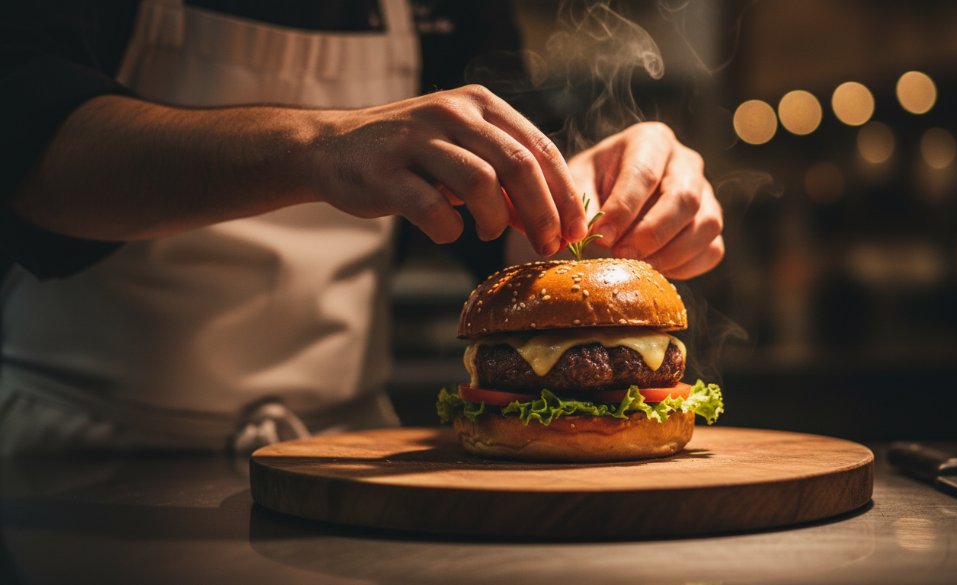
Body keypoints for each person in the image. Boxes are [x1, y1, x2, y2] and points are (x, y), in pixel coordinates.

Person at [0, 0, 723, 454]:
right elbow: (29, 149)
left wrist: (584, 207)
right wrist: (316, 148)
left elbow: (494, 224)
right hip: (85, 460)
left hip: (345, 457)